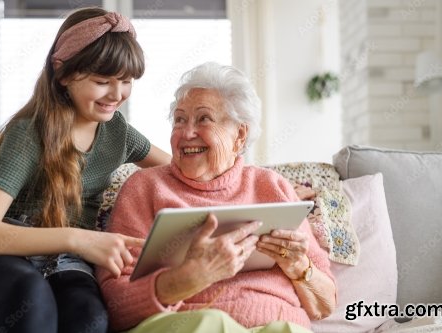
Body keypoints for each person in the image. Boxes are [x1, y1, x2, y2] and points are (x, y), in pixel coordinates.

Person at [0, 7, 170, 333]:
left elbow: (182, 173)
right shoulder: (28, 134)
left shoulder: (119, 133)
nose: (117, 95)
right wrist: (78, 239)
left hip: (67, 264)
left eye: (126, 81)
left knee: (89, 317)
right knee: (30, 294)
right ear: (64, 75)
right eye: (102, 81)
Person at [97, 62, 336, 333]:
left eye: (203, 119)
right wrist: (191, 277)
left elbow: (325, 304)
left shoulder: (273, 186)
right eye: (180, 119)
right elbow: (116, 305)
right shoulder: (145, 188)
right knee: (214, 323)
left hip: (278, 324)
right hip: (190, 324)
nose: (187, 133)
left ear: (239, 134)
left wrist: (298, 265)